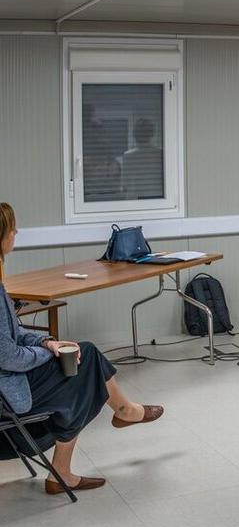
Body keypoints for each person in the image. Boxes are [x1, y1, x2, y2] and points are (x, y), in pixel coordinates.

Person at [0, 203, 163, 494]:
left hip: (8, 381)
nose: (16, 233)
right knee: (81, 366)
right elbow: (8, 356)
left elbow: (14, 334)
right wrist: (48, 353)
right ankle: (124, 411)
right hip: (8, 393)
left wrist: (46, 342)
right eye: (12, 229)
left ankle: (124, 411)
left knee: (80, 359)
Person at [120, 118, 163, 200]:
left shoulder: (128, 156)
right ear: (152, 133)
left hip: (135, 200)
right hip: (156, 199)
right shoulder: (160, 153)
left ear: (134, 135)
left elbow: (124, 185)